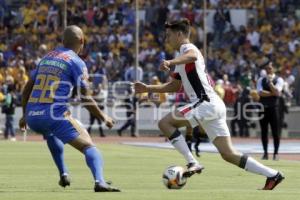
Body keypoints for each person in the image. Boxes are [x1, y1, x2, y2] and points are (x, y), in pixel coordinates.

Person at [134, 18, 284, 190]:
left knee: (164, 123)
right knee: (229, 154)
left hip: (205, 103)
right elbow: (174, 86)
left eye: (169, 35)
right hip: (213, 106)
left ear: (179, 34)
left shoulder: (187, 49)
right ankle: (273, 175)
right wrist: (148, 87)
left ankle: (192, 162)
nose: (167, 39)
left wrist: (171, 62)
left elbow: (193, 55)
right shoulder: (181, 58)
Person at [19, 25, 120, 192]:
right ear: (82, 41)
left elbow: (26, 89)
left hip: (33, 116)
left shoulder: (46, 58)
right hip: (54, 115)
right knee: (88, 145)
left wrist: (24, 115)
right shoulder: (76, 61)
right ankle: (99, 181)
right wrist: (104, 117)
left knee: (51, 133)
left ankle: (64, 173)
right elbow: (85, 97)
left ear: (62, 41)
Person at [257, 61, 284, 160]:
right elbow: (260, 93)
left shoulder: (279, 79)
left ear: (274, 69)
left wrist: (271, 83)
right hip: (263, 108)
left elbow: (277, 92)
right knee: (264, 131)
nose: (268, 70)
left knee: (275, 132)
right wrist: (272, 93)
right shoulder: (261, 79)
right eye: (267, 68)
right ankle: (265, 153)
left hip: (274, 109)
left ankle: (275, 153)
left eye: (270, 68)